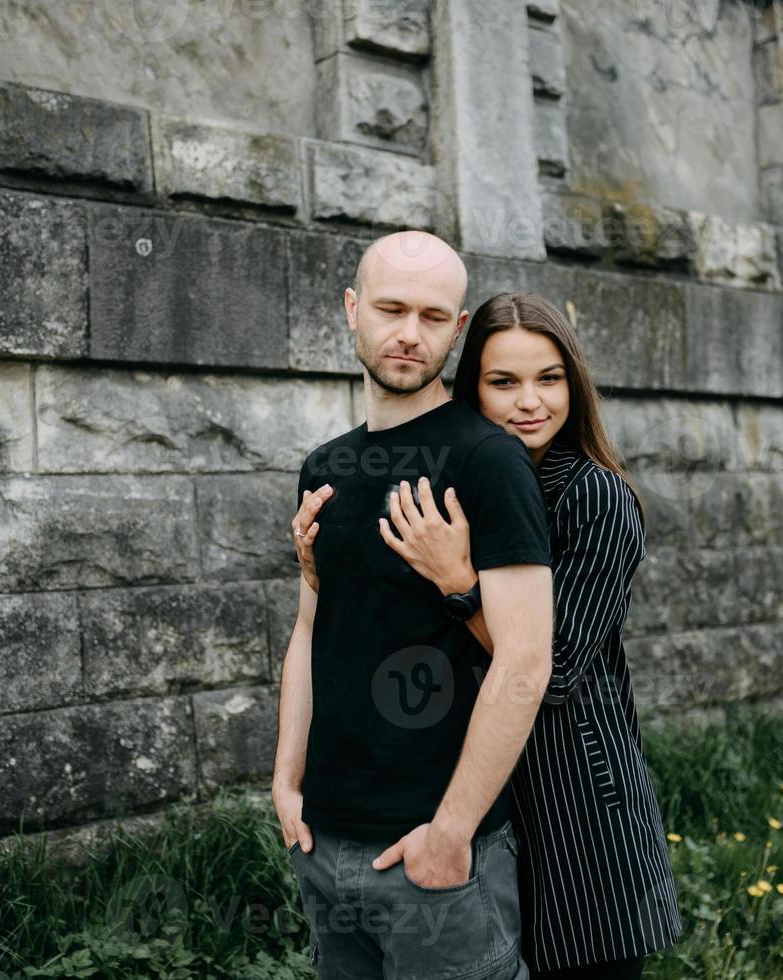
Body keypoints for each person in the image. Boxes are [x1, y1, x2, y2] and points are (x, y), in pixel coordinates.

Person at [292, 291, 684, 980]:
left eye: (549, 379)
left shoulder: (592, 495)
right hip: (480, 790)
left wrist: (459, 582)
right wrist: (321, 561)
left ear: (576, 385)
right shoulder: (465, 478)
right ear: (471, 387)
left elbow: (555, 668)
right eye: (503, 382)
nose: (529, 402)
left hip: (572, 801)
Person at [272, 230, 553, 980]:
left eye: (434, 317)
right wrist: (286, 781)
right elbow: (310, 629)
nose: (408, 334)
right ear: (352, 309)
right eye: (391, 309)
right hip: (323, 843)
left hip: (436, 853)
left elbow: (526, 663)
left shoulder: (485, 459)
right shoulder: (325, 466)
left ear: (458, 331)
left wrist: (452, 834)